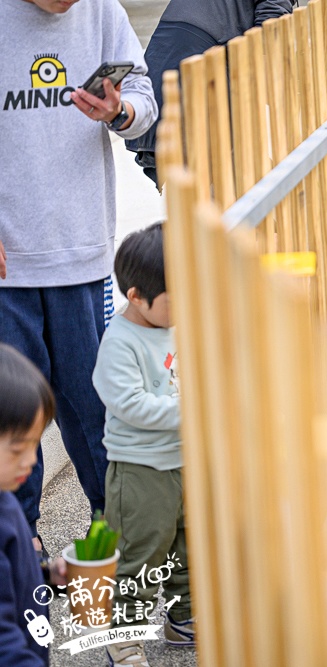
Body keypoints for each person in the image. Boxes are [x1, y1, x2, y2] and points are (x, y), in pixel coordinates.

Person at [0, 0, 157, 561]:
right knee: (14, 420)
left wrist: (119, 112)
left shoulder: (101, 12)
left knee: (94, 413)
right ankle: (20, 548)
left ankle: (111, 539)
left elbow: (144, 100)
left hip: (83, 253)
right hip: (7, 268)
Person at [92, 223, 190, 667]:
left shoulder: (174, 325)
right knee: (140, 553)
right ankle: (124, 635)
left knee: (189, 545)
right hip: (141, 470)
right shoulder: (120, 343)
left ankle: (184, 616)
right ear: (136, 296)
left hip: (183, 460)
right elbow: (130, 404)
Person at [126, 0, 294, 185]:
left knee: (206, 178)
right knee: (220, 178)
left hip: (175, 43)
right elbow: (270, 28)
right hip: (202, 52)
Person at [0, 344, 65, 667]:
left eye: (35, 444)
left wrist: (47, 576)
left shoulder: (6, 499)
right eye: (17, 449)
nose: (30, 461)